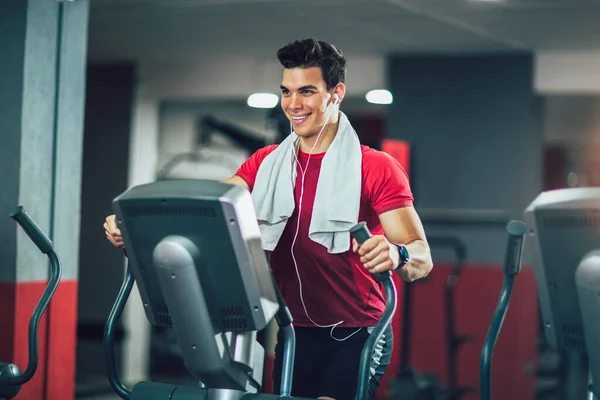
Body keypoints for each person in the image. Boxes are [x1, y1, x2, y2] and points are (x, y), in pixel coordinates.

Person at [104, 38, 433, 400]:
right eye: (286, 92)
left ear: (336, 93)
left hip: (358, 330)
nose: (293, 104)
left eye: (306, 91)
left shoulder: (374, 167)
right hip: (293, 331)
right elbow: (203, 209)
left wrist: (397, 254)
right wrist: (135, 226)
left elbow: (421, 256)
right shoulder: (265, 164)